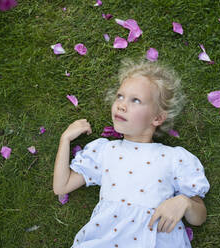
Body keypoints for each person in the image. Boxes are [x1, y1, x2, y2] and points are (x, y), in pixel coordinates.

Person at [53, 59, 210, 248]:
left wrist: (184, 202)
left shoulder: (174, 158)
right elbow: (61, 187)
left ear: (157, 118)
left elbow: (199, 218)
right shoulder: (104, 151)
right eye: (120, 96)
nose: (121, 105)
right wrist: (65, 140)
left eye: (136, 100)